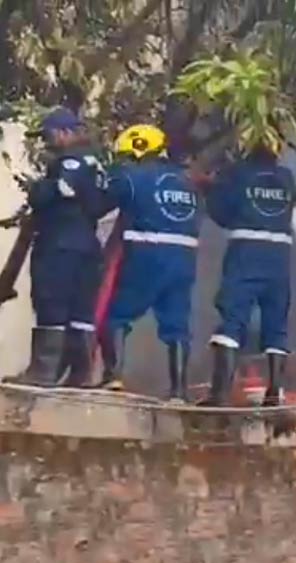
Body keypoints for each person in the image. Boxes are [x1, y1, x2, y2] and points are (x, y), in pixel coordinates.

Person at [98, 124, 202, 400]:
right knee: (177, 325)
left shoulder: (132, 176)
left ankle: (113, 377)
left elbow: (100, 203)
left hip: (147, 254)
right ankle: (179, 392)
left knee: (116, 316)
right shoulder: (186, 182)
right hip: (184, 260)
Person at [10, 108, 108, 387]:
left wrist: (38, 189)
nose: (45, 142)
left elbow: (60, 190)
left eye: (49, 135)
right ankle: (81, 374)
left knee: (51, 302)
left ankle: (42, 373)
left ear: (65, 132)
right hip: (87, 244)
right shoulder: (96, 163)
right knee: (80, 311)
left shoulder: (70, 162)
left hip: (60, 244)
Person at [201, 141, 295, 406]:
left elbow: (222, 212)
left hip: (247, 252)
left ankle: (219, 395)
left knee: (232, 316)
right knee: (276, 324)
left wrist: (210, 188)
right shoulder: (287, 177)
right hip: (280, 255)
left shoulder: (239, 173)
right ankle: (275, 394)